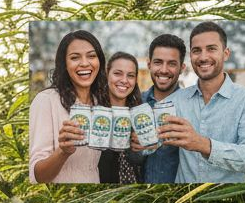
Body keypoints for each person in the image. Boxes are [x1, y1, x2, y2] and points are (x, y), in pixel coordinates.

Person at [159, 21, 245, 183]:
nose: (203, 57)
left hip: (228, 200)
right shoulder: (175, 100)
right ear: (190, 56)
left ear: (226, 54)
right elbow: (153, 140)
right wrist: (141, 142)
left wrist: (202, 144)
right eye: (196, 51)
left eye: (211, 49)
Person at [29, 29, 108, 184]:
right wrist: (62, 152)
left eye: (91, 56)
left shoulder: (100, 103)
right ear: (64, 64)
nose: (85, 63)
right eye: (74, 57)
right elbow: (37, 176)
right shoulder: (46, 101)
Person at [141, 33, 186, 183]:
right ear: (149, 65)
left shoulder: (192, 107)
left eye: (172, 64)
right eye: (158, 62)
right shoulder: (136, 103)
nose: (164, 70)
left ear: (182, 68)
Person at [98, 51, 146, 183]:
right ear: (107, 74)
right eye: (117, 73)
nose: (124, 80)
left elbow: (140, 160)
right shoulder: (95, 111)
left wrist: (141, 146)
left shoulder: (139, 112)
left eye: (130, 75)